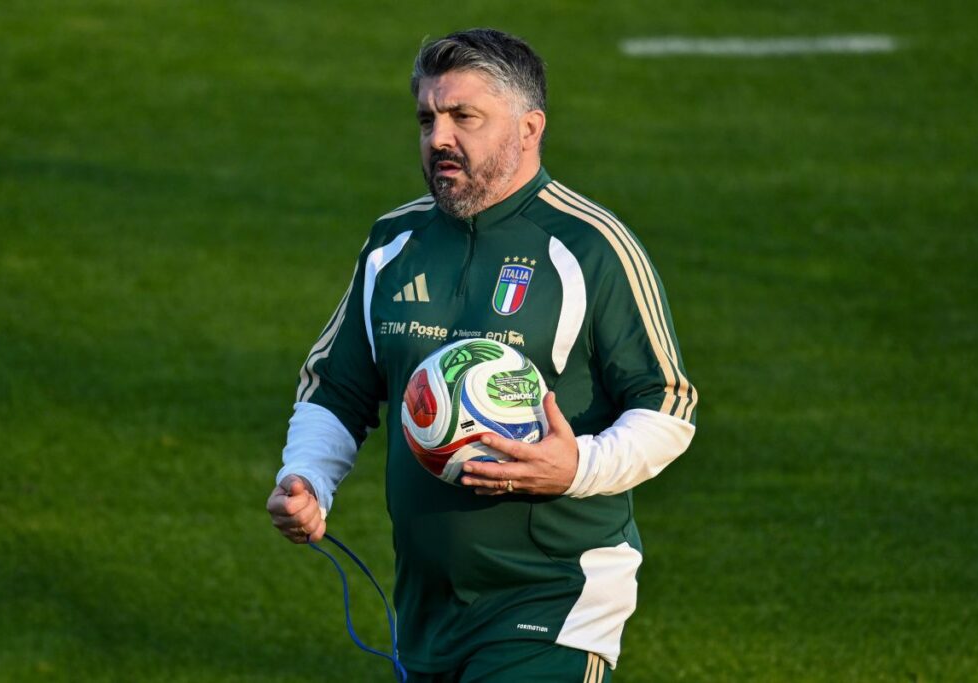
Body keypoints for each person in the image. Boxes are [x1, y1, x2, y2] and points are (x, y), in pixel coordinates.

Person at [266, 28, 697, 682]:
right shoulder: (394, 243)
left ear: (529, 128)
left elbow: (668, 406)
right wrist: (306, 479)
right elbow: (336, 389)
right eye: (427, 119)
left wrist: (576, 466)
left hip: (555, 599)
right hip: (426, 607)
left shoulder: (589, 247)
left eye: (463, 117)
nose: (438, 137)